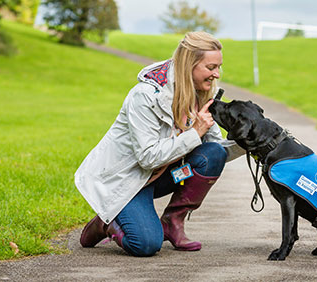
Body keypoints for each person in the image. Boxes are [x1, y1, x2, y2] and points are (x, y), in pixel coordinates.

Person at [75, 31, 244, 257]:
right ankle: (105, 223)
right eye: (211, 67)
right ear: (189, 64)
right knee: (145, 245)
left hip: (168, 175)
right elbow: (147, 158)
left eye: (218, 67)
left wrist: (245, 144)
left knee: (212, 154)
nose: (216, 74)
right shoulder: (145, 96)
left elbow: (215, 150)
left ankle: (172, 222)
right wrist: (195, 132)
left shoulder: (200, 93)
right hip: (128, 182)